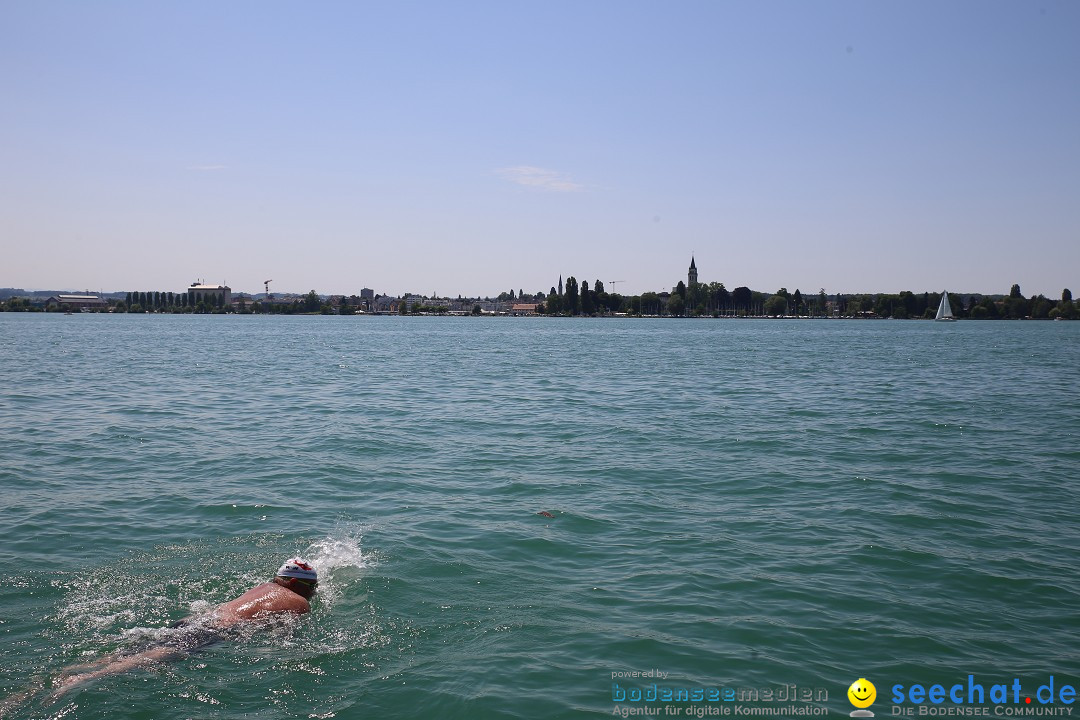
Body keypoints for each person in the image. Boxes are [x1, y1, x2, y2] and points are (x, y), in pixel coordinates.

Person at [48, 557, 318, 697]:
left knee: (144, 648)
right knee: (156, 657)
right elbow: (284, 637)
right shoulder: (298, 602)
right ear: (295, 584)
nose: (314, 592)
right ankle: (83, 679)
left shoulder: (265, 586)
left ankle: (77, 668)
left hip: (197, 620)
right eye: (312, 586)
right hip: (212, 631)